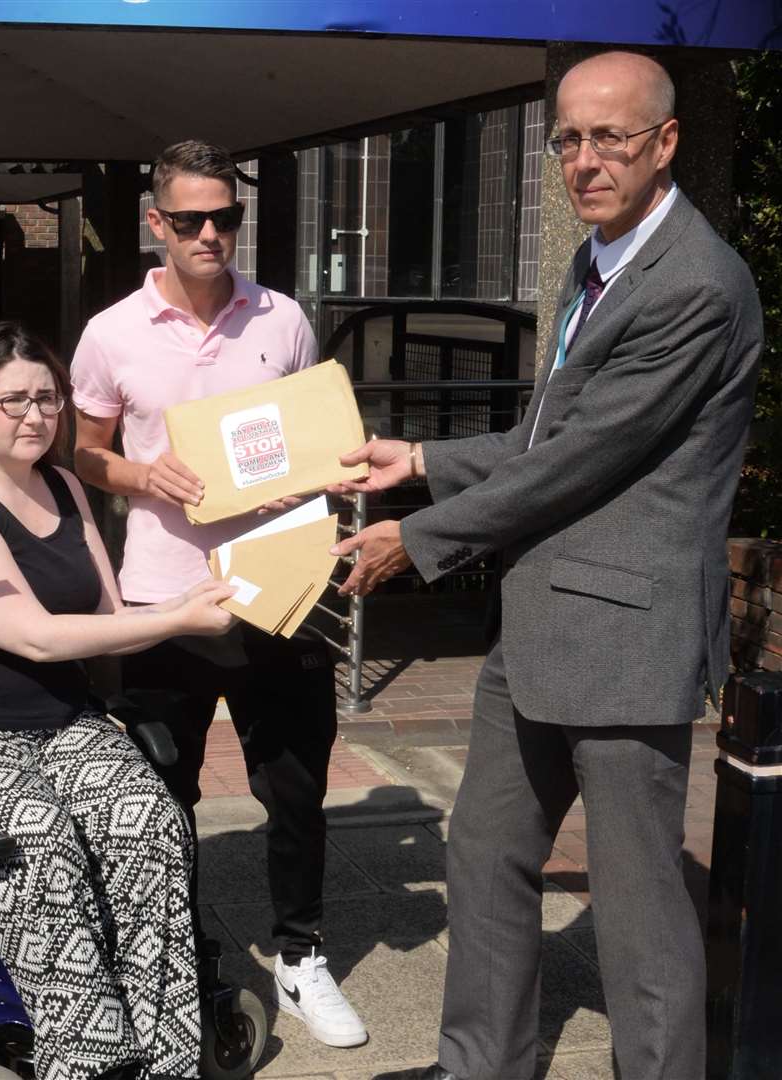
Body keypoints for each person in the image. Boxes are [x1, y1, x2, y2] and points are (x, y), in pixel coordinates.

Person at [330, 52, 765, 1080]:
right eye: (566, 138)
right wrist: (423, 459)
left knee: (634, 906)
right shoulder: (595, 261)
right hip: (534, 625)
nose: (582, 160)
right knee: (484, 855)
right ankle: (482, 1065)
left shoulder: (695, 284)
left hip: (622, 637)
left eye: (608, 137)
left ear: (665, 143)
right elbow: (545, 432)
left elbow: (583, 461)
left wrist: (421, 537)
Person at [70, 139, 368, 1048]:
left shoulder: (282, 319)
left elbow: (314, 441)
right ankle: (166, 950)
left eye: (225, 218)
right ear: (155, 223)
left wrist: (317, 482)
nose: (211, 234)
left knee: (295, 784)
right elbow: (80, 451)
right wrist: (139, 477)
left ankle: (299, 956)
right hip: (165, 596)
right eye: (191, 219)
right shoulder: (111, 332)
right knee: (164, 789)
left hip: (280, 582)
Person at [0, 321, 239, 1080]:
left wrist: (197, 595)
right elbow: (31, 634)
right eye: (13, 399)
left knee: (150, 823)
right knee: (37, 839)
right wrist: (179, 618)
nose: (34, 415)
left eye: (47, 398)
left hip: (61, 718)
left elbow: (110, 625)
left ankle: (164, 1055)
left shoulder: (69, 485)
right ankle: (89, 1060)